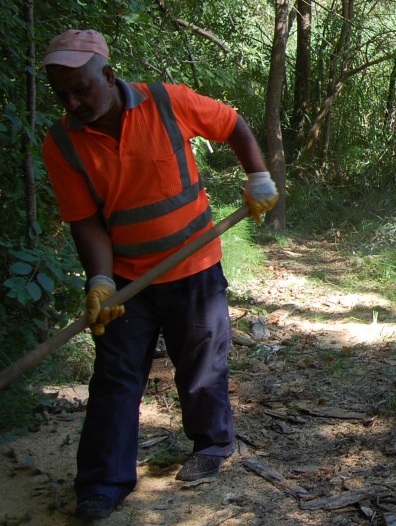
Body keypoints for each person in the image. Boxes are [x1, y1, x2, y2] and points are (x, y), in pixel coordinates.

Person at [39, 29, 279, 521]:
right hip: (128, 279)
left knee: (202, 361)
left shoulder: (166, 102)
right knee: (115, 379)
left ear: (107, 74)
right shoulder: (63, 143)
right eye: (62, 94)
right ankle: (103, 483)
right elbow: (84, 220)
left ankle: (212, 444)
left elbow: (232, 125)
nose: (73, 102)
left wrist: (257, 176)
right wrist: (101, 281)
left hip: (193, 264)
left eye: (81, 88)